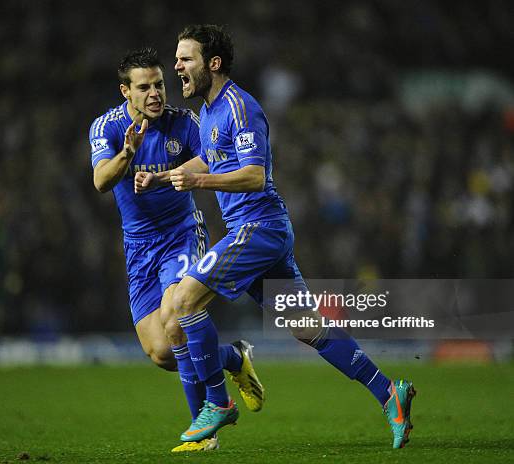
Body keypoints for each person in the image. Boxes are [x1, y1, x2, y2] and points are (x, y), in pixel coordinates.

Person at [135, 25, 415, 449]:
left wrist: (201, 182)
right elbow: (205, 159)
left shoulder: (240, 108)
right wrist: (159, 178)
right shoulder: (209, 112)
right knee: (309, 329)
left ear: (213, 63)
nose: (177, 66)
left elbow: (253, 175)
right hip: (260, 235)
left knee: (182, 301)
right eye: (177, 58)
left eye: (185, 58)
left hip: (259, 229)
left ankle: (218, 402)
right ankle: (389, 392)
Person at [89, 47, 264, 452]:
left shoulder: (184, 124)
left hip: (181, 235)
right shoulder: (107, 128)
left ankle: (204, 434)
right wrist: (128, 155)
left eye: (159, 84)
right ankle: (234, 359)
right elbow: (101, 180)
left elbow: (213, 157)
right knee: (162, 353)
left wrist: (172, 175)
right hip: (138, 250)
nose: (155, 94)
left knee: (176, 317)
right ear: (125, 92)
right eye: (144, 87)